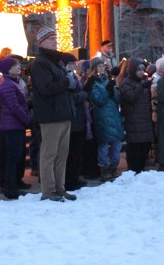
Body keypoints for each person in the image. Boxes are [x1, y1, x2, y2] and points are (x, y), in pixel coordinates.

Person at [30, 26, 77, 201]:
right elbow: (46, 88)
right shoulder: (40, 63)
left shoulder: (55, 61)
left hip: (63, 113)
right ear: (42, 42)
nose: (55, 41)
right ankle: (48, 190)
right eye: (51, 39)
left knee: (62, 154)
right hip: (50, 115)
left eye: (56, 38)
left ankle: (59, 187)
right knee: (49, 154)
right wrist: (66, 82)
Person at [0, 58, 32, 199]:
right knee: (12, 157)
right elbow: (14, 107)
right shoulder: (7, 84)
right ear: (7, 69)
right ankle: (10, 187)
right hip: (12, 126)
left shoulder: (12, 82)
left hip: (15, 125)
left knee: (15, 156)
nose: (18, 67)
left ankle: (13, 183)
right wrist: (27, 120)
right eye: (14, 65)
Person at [86, 57, 123, 182]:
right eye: (99, 66)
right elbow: (99, 100)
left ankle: (114, 166)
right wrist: (108, 90)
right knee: (103, 145)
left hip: (114, 116)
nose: (102, 68)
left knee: (116, 144)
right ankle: (104, 168)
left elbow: (118, 100)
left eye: (103, 66)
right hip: (102, 117)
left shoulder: (109, 80)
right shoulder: (93, 83)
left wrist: (115, 91)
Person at [119, 58, 154, 173]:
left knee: (145, 146)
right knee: (135, 148)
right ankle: (133, 169)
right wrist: (141, 87)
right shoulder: (126, 83)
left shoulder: (142, 82)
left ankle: (141, 168)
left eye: (142, 69)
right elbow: (131, 97)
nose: (141, 72)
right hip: (133, 120)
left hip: (145, 120)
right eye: (138, 69)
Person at [63, 53, 90, 191]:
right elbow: (70, 97)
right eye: (71, 64)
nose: (74, 66)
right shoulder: (65, 78)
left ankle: (75, 176)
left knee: (77, 152)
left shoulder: (74, 77)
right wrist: (84, 95)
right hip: (71, 118)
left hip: (79, 118)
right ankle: (69, 180)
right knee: (71, 152)